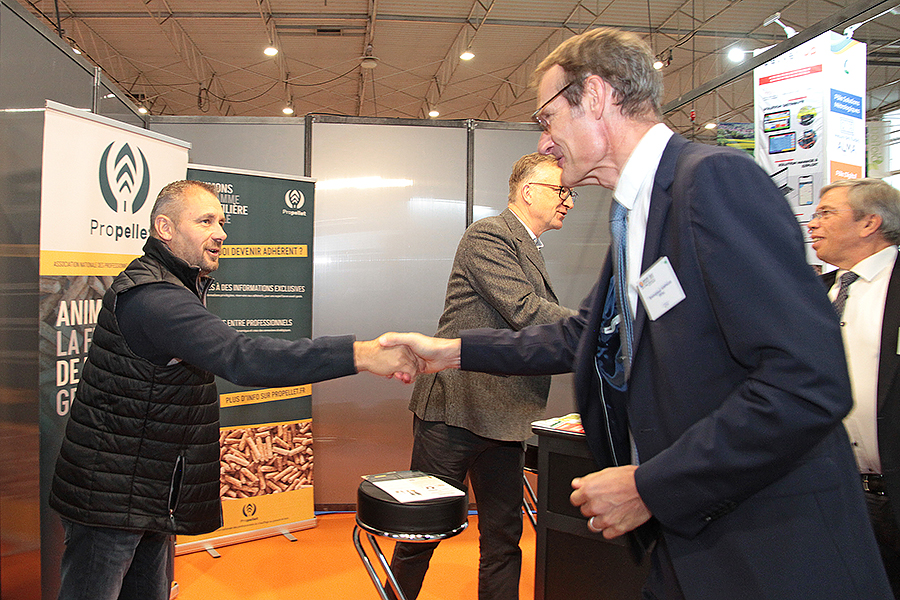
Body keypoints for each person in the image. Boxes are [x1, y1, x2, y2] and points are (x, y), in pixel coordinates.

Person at [384, 27, 893, 600]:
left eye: (548, 119)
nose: (546, 142)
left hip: (768, 548)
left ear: (596, 96)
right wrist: (452, 350)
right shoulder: (635, 214)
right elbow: (587, 334)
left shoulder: (711, 181)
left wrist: (653, 485)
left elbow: (807, 381)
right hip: (687, 539)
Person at [48, 180, 418, 600]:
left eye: (222, 222)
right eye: (205, 221)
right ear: (165, 228)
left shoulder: (174, 285)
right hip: (109, 495)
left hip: (144, 488)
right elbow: (243, 357)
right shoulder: (154, 298)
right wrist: (361, 355)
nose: (221, 232)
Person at [387, 153, 577, 600]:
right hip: (455, 413)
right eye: (561, 190)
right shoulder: (489, 235)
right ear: (528, 191)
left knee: (504, 537)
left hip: (505, 417)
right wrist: (604, 327)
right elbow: (526, 312)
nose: (569, 201)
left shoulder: (527, 245)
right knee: (422, 533)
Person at [808, 177, 900, 598]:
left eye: (826, 213)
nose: (813, 224)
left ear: (869, 223)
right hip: (834, 494)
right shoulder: (816, 293)